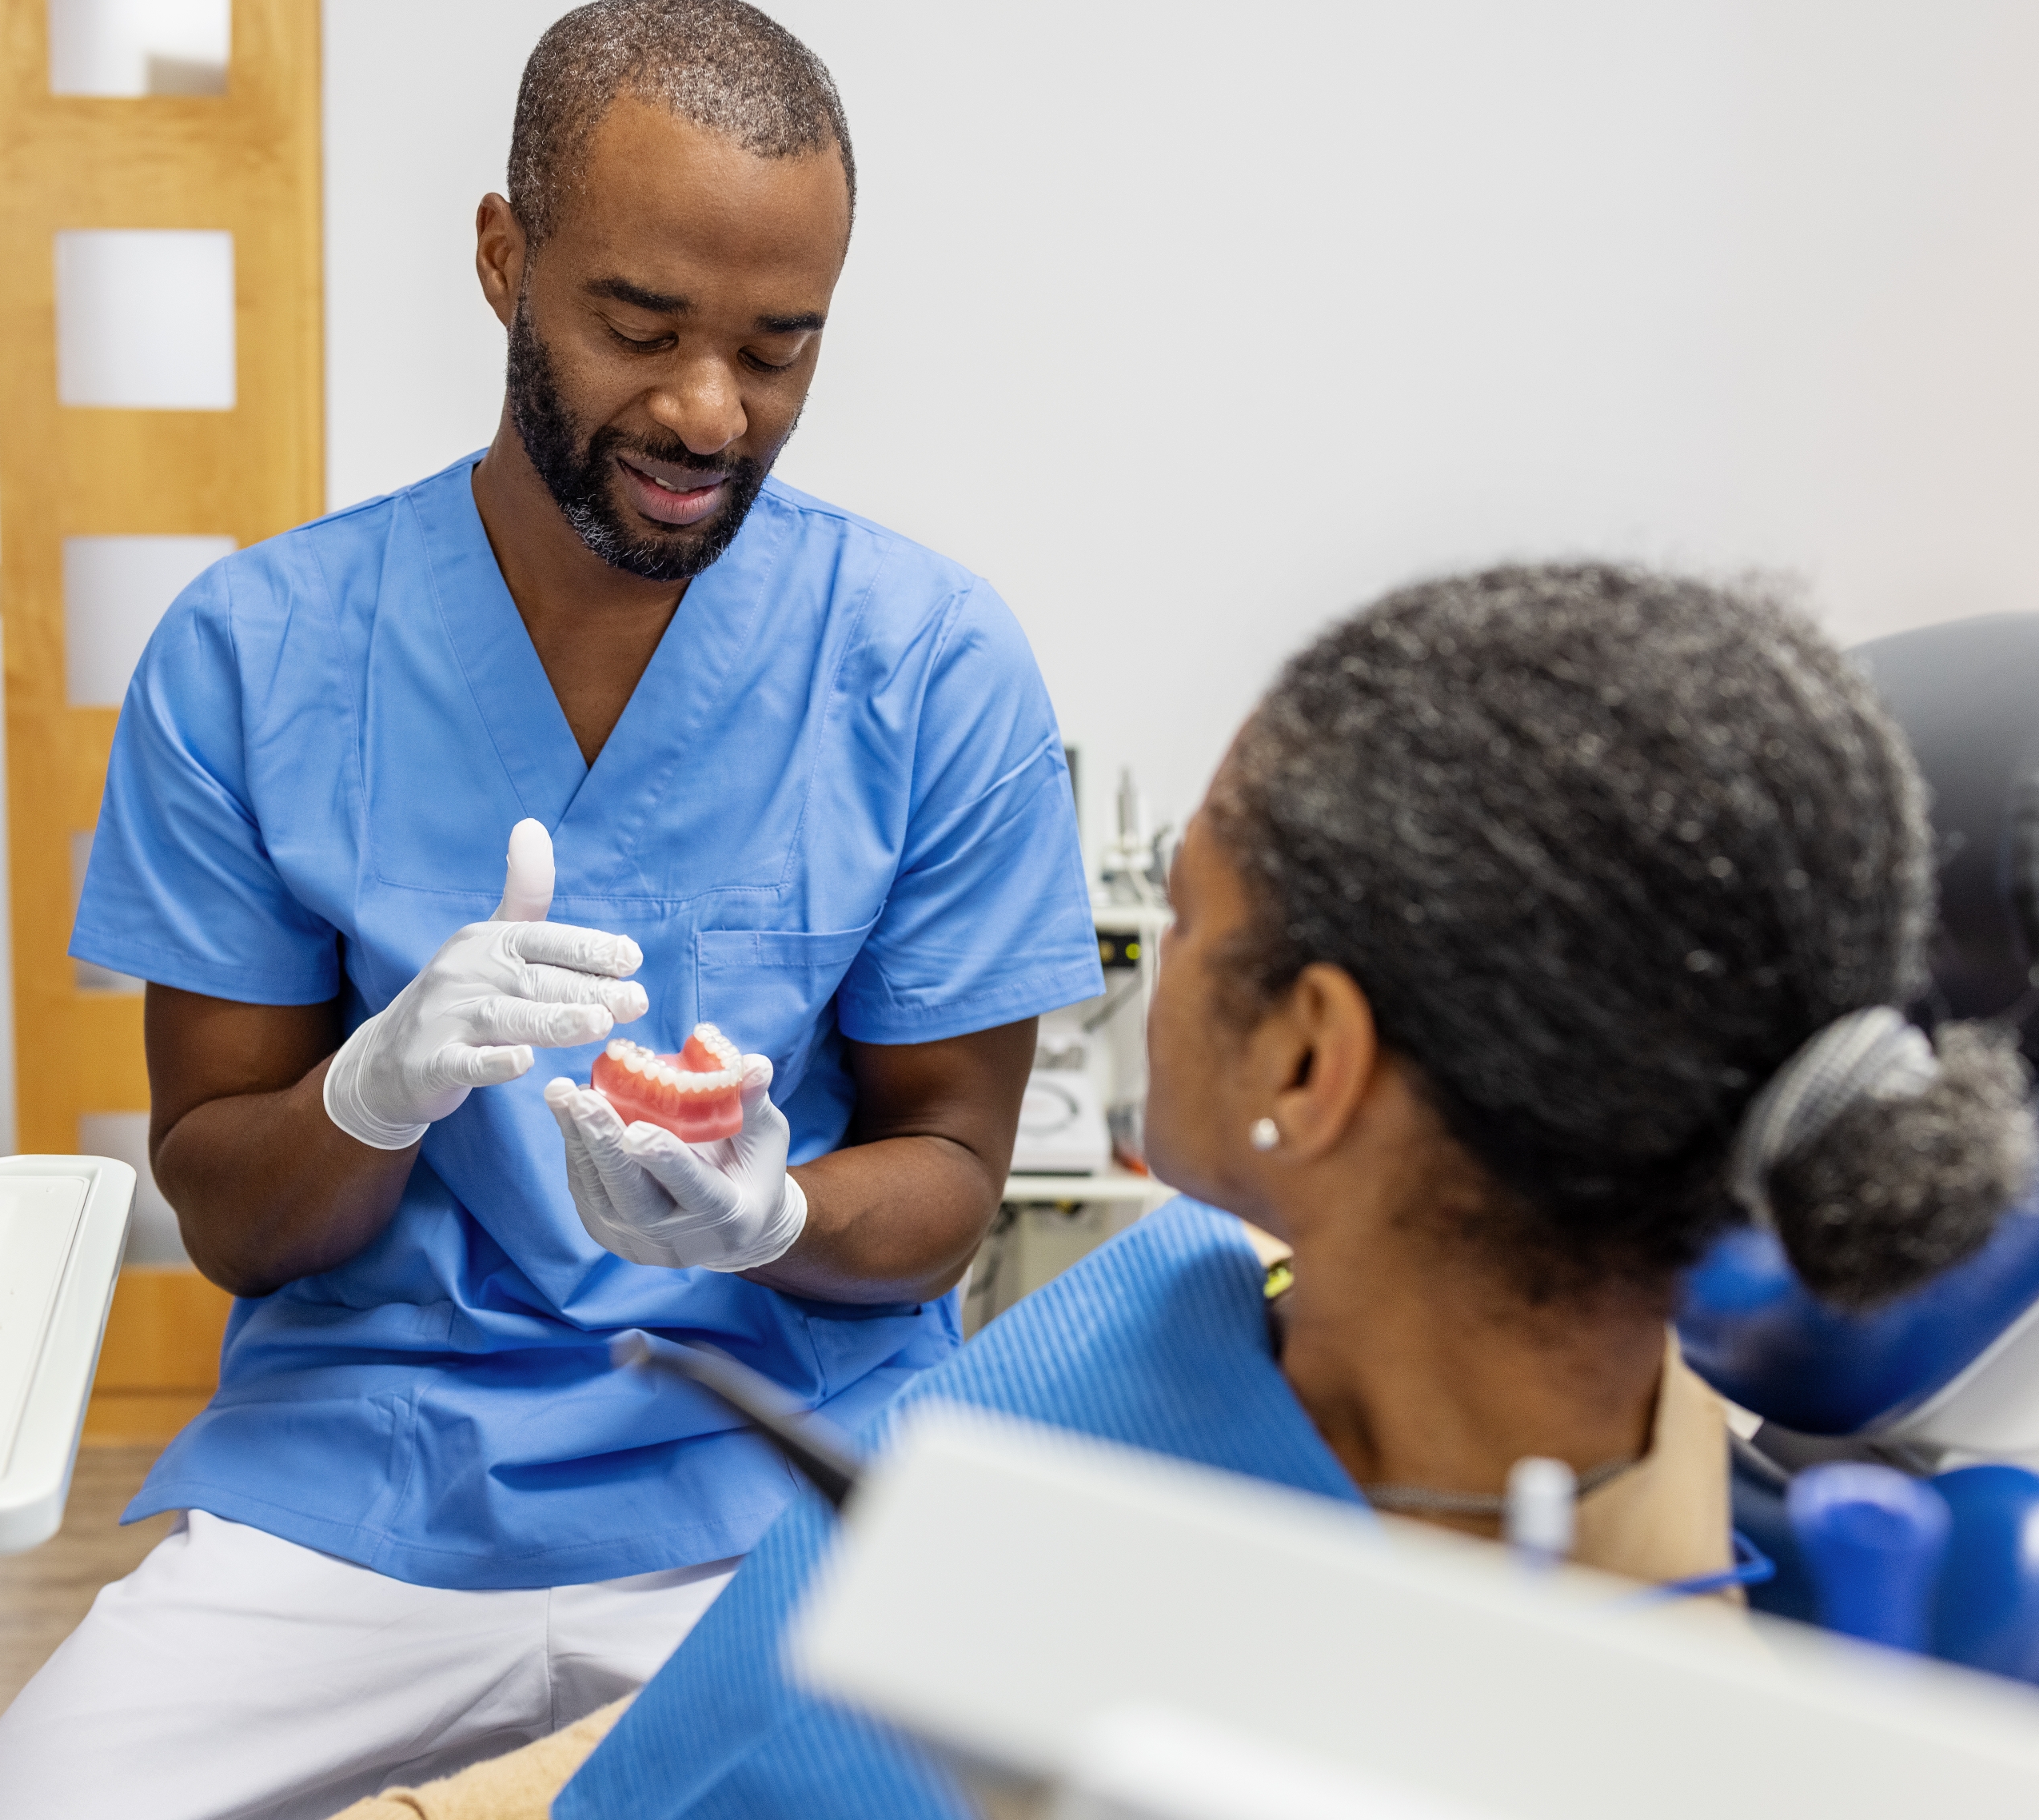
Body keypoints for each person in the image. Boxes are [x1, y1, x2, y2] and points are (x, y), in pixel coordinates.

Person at [329, 564, 2036, 1820]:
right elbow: (753, 1686)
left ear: (1311, 1061)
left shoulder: (1517, 1727)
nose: (1136, 956)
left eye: (1193, 905)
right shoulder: (1208, 1283)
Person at [0, 6, 1100, 1818]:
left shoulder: (929, 667)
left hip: (773, 1477)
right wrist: (368, 1095)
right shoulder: (256, 659)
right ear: (502, 259)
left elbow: (946, 1174)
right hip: (370, 1486)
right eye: (640, 327)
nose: (710, 409)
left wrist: (769, 1212)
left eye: (777, 351)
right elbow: (230, 1208)